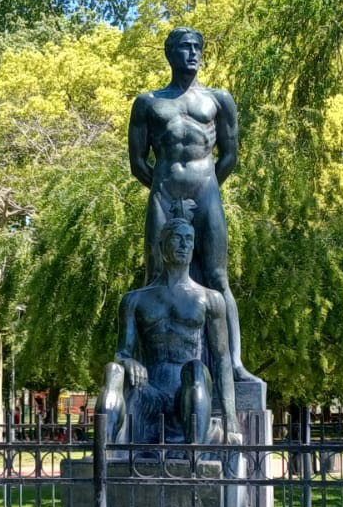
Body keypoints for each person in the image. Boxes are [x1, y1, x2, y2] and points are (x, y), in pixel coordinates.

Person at [128, 27, 255, 382]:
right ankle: (145, 364)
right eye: (185, 47)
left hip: (206, 190)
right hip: (164, 193)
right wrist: (166, 189)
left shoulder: (218, 99)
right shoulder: (149, 103)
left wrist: (205, 188)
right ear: (170, 53)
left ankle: (234, 363)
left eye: (197, 47)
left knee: (218, 277)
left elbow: (229, 155)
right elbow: (138, 162)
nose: (193, 53)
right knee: (156, 276)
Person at [101, 204, 241, 447]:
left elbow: (222, 359)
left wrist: (231, 417)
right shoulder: (135, 300)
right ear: (162, 245)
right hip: (149, 390)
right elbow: (122, 352)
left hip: (188, 392)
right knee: (113, 371)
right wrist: (127, 361)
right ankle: (104, 453)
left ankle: (195, 458)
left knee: (195, 369)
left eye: (189, 239)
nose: (184, 245)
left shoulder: (210, 299)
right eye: (177, 238)